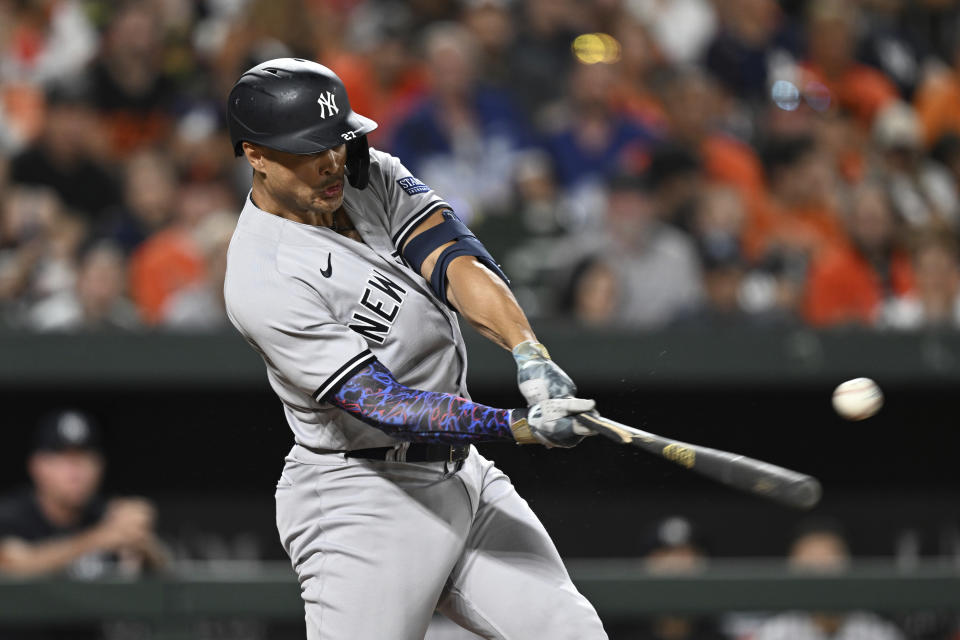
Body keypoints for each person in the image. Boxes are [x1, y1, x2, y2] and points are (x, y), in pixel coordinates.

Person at [223, 58, 607, 639]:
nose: (331, 162)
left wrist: (531, 354)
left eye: (337, 140)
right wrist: (517, 426)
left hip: (462, 475)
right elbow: (384, 404)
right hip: (362, 496)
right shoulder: (262, 275)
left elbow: (453, 258)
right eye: (309, 149)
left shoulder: (366, 173)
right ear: (255, 154)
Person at [0, 410, 166, 579]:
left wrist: (142, 540)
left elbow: (170, 571)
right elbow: (12, 565)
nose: (75, 472)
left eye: (84, 458)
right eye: (63, 459)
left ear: (100, 466)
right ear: (37, 466)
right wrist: (98, 538)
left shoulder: (107, 514)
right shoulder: (11, 517)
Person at [752, 520, 905, 640]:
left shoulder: (878, 633)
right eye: (810, 567)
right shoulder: (773, 634)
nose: (820, 577)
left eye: (828, 565)